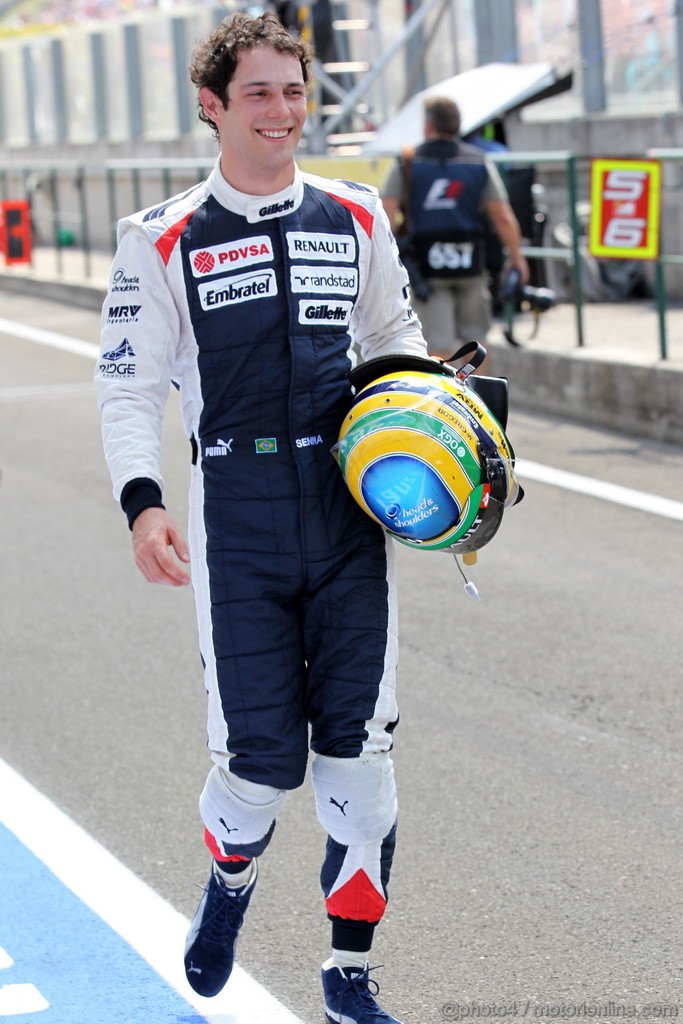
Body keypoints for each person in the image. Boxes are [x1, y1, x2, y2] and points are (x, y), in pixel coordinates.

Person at [95, 11, 428, 1024]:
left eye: (294, 92)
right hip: (233, 515)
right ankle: (230, 877)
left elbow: (394, 342)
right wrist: (143, 504)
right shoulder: (157, 239)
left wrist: (433, 436)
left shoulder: (356, 215)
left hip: (344, 510)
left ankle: (346, 973)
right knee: (256, 770)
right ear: (212, 104)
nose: (282, 112)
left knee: (357, 767)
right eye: (259, 94)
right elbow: (126, 389)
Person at [381, 96, 530, 360]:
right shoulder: (478, 162)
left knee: (437, 345)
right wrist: (517, 258)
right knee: (477, 344)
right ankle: (478, 398)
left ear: (428, 126)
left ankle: (443, 400)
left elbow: (386, 214)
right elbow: (503, 216)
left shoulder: (408, 163)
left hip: (427, 271)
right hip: (471, 265)